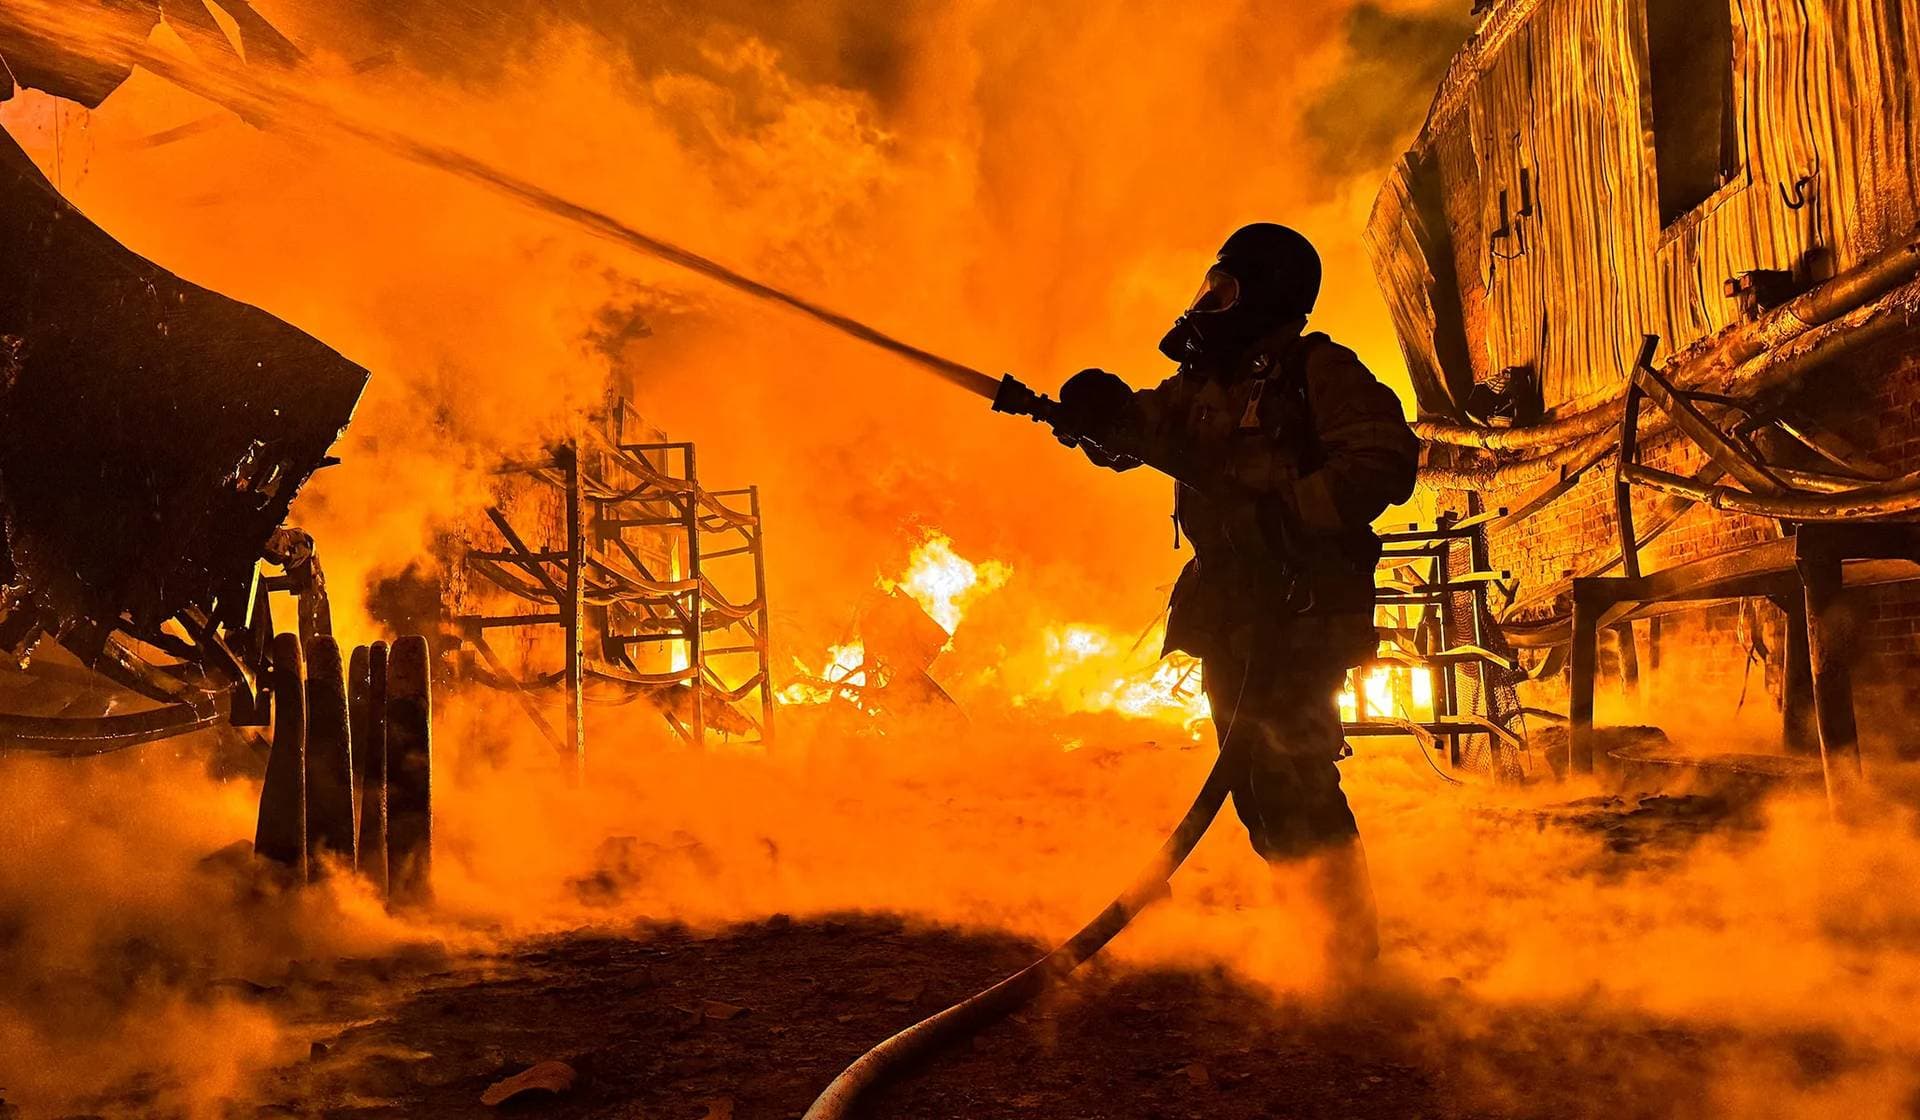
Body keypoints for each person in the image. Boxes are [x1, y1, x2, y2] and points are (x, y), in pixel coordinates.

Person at [1047, 223, 1418, 973]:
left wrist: (1289, 513)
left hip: (1300, 612)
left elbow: (1385, 460)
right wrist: (1097, 415)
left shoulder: (1318, 371)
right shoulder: (1208, 387)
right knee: (1253, 784)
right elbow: (1144, 433)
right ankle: (1317, 943)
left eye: (1229, 290)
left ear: (1268, 295)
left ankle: (1345, 963)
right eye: (1211, 288)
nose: (1212, 304)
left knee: (1294, 778)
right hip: (1234, 617)